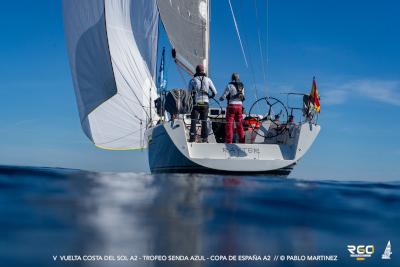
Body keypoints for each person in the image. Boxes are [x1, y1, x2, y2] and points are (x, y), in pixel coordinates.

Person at [188, 64, 217, 142]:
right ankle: (205, 138)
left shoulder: (193, 80)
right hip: (205, 102)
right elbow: (215, 92)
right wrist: (210, 97)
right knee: (204, 120)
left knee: (194, 120)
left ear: (196, 71)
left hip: (196, 103)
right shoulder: (208, 80)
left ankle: (192, 137)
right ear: (203, 71)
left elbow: (189, 93)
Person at [219, 73, 245, 144]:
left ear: (232, 78)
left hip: (231, 106)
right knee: (239, 124)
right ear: (238, 78)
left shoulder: (229, 85)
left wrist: (220, 98)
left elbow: (223, 96)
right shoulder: (242, 85)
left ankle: (229, 142)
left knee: (229, 124)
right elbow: (243, 96)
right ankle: (242, 141)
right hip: (239, 107)